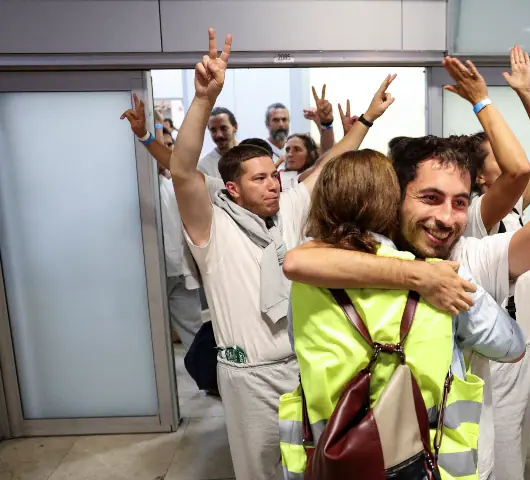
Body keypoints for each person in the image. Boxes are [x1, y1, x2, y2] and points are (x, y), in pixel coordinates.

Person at [281, 19, 530, 479]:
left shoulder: (471, 258)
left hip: (455, 464)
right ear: (394, 195)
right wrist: (418, 276)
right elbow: (298, 261)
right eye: (430, 198)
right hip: (346, 460)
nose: (448, 218)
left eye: (460, 203)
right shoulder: (346, 259)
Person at [169, 28, 398, 480]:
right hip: (248, 373)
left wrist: (367, 119)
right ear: (232, 189)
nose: (274, 184)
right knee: (259, 470)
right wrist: (203, 100)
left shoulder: (290, 206)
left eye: (274, 175)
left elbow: (330, 164)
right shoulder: (211, 224)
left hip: (302, 362)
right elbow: (181, 170)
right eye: (259, 179)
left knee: (312, 465)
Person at [280, 149, 525, 479]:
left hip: (327, 460)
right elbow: (511, 346)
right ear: (392, 202)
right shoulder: (443, 279)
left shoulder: (306, 283)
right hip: (426, 463)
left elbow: (298, 343)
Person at [461, 45, 530, 480]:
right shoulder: (477, 213)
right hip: (498, 356)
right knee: (499, 461)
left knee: (517, 453)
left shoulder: (516, 204)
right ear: (482, 177)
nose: (515, 159)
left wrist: (526, 92)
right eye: (501, 157)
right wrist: (483, 102)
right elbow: (522, 169)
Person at [120, 94, 203, 349]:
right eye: (162, 146)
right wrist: (148, 130)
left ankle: (208, 386)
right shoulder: (133, 188)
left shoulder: (173, 185)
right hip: (148, 274)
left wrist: (153, 128)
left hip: (180, 273)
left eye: (170, 145)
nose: (166, 152)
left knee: (196, 338)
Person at [197, 106, 238, 178]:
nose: (219, 135)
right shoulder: (204, 166)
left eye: (224, 128)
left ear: (235, 127)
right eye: (213, 130)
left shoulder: (252, 156)